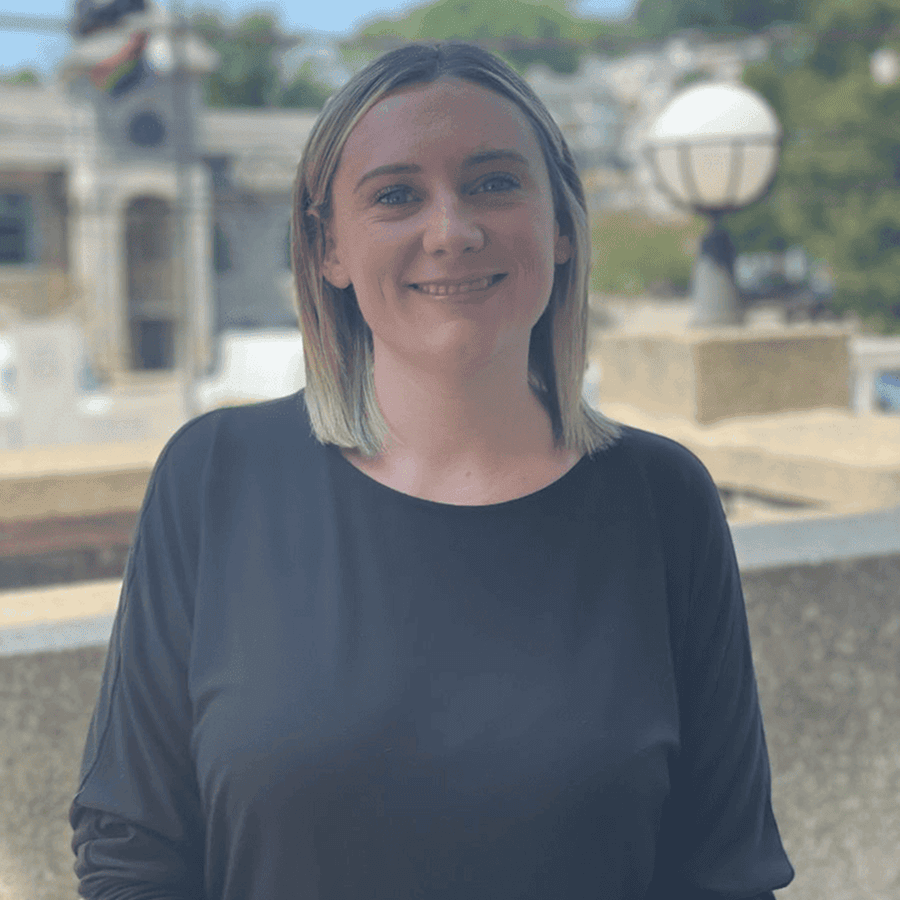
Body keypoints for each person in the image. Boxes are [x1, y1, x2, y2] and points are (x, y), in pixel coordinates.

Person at [70, 40, 794, 900]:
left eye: (494, 182)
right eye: (397, 196)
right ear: (329, 249)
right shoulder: (215, 477)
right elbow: (133, 849)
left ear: (561, 226)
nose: (451, 230)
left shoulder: (664, 498)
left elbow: (725, 869)